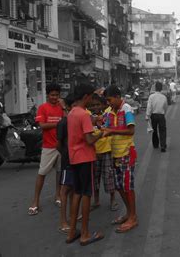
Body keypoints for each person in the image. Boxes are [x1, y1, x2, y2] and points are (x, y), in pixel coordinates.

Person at [66, 83, 104, 246]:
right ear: (85, 97)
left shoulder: (72, 112)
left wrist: (94, 120)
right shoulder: (82, 114)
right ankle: (86, 234)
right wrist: (101, 133)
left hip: (74, 157)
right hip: (85, 157)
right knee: (87, 194)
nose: (91, 100)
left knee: (77, 193)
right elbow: (89, 139)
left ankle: (72, 231)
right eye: (90, 97)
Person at [101, 85, 138, 233]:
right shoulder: (109, 112)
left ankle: (133, 217)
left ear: (117, 97)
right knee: (119, 186)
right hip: (114, 153)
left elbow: (131, 130)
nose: (108, 103)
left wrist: (110, 130)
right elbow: (103, 125)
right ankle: (129, 214)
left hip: (126, 153)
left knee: (127, 187)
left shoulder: (126, 109)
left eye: (109, 100)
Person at [28, 83, 64, 216]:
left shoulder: (62, 107)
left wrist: (64, 107)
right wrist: (58, 123)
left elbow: (69, 120)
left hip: (61, 146)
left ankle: (58, 195)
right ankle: (35, 201)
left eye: (57, 95)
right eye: (52, 95)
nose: (55, 97)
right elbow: (42, 125)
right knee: (42, 173)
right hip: (48, 146)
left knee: (60, 173)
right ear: (48, 95)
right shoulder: (43, 108)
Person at [89, 93, 119, 212]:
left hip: (107, 151)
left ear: (102, 105)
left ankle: (112, 199)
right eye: (93, 105)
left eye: (98, 105)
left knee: (109, 177)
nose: (95, 107)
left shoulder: (107, 115)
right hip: (93, 152)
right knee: (95, 178)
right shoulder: (87, 117)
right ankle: (96, 200)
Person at [56, 93, 76, 234]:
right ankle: (63, 221)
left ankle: (72, 216)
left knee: (73, 189)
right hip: (67, 160)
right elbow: (58, 144)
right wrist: (66, 154)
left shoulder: (77, 119)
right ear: (68, 107)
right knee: (65, 190)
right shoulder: (63, 122)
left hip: (76, 159)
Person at [146, 82, 168, 152]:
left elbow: (149, 107)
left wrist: (147, 115)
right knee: (162, 130)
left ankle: (155, 144)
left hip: (153, 115)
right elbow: (165, 107)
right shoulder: (164, 97)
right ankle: (163, 145)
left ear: (155, 88)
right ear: (161, 88)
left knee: (154, 130)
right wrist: (163, 112)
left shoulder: (151, 96)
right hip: (161, 115)